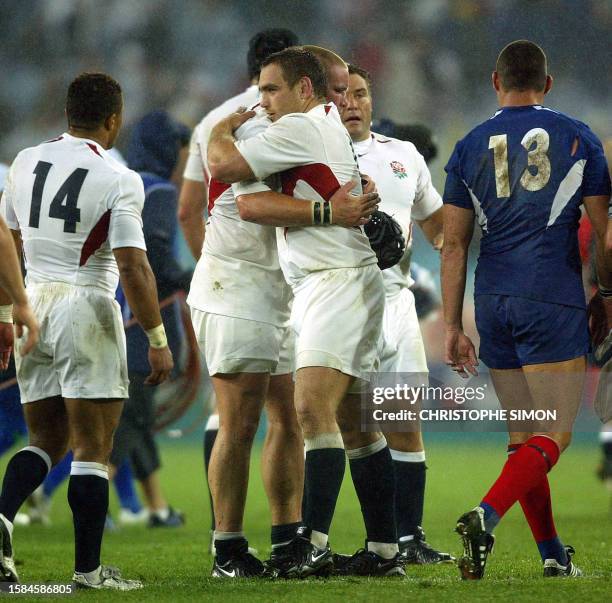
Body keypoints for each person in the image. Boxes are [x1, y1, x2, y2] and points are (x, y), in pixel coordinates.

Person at [208, 46, 403, 578]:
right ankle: (385, 551)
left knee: (311, 408)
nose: (262, 100)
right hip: (338, 279)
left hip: (334, 282)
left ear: (303, 90)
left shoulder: (301, 128)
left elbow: (226, 172)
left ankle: (309, 544)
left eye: (271, 89)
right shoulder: (321, 127)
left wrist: (220, 128)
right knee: (356, 424)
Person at [441, 40, 611, 579]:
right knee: (555, 434)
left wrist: (452, 324)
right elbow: (604, 235)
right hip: (551, 296)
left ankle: (553, 556)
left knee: (524, 438)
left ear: (496, 82)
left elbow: (453, 245)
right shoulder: (580, 138)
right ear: (549, 82)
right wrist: (606, 296)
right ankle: (485, 516)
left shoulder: (467, 146)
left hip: (492, 302)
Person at [0, 72, 173, 589]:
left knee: (44, 439)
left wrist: (6, 315)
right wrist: (158, 339)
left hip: (34, 299)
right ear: (113, 118)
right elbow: (134, 267)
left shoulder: (26, 161)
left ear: (67, 111)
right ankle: (89, 572)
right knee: (92, 448)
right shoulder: (119, 177)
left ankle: (3, 519)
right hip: (87, 306)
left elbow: (7, 241)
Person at [178, 29, 299, 544]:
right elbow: (243, 202)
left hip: (278, 289)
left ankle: (287, 539)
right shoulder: (246, 125)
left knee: (277, 419)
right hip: (243, 286)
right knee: (248, 421)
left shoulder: (213, 120)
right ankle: (228, 544)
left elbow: (189, 208)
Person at [340, 63, 453, 565]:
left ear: (371, 99)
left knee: (404, 423)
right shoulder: (307, 155)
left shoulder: (402, 154)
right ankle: (309, 538)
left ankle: (408, 539)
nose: (352, 103)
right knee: (330, 423)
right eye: (342, 94)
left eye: (361, 94)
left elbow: (438, 226)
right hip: (336, 299)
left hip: (396, 301)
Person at [108, 109, 193, 528]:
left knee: (136, 420)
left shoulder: (121, 184)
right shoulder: (158, 190)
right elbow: (155, 259)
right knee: (129, 420)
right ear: (169, 152)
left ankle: (157, 509)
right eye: (183, 151)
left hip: (110, 315)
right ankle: (78, 494)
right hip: (141, 324)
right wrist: (192, 279)